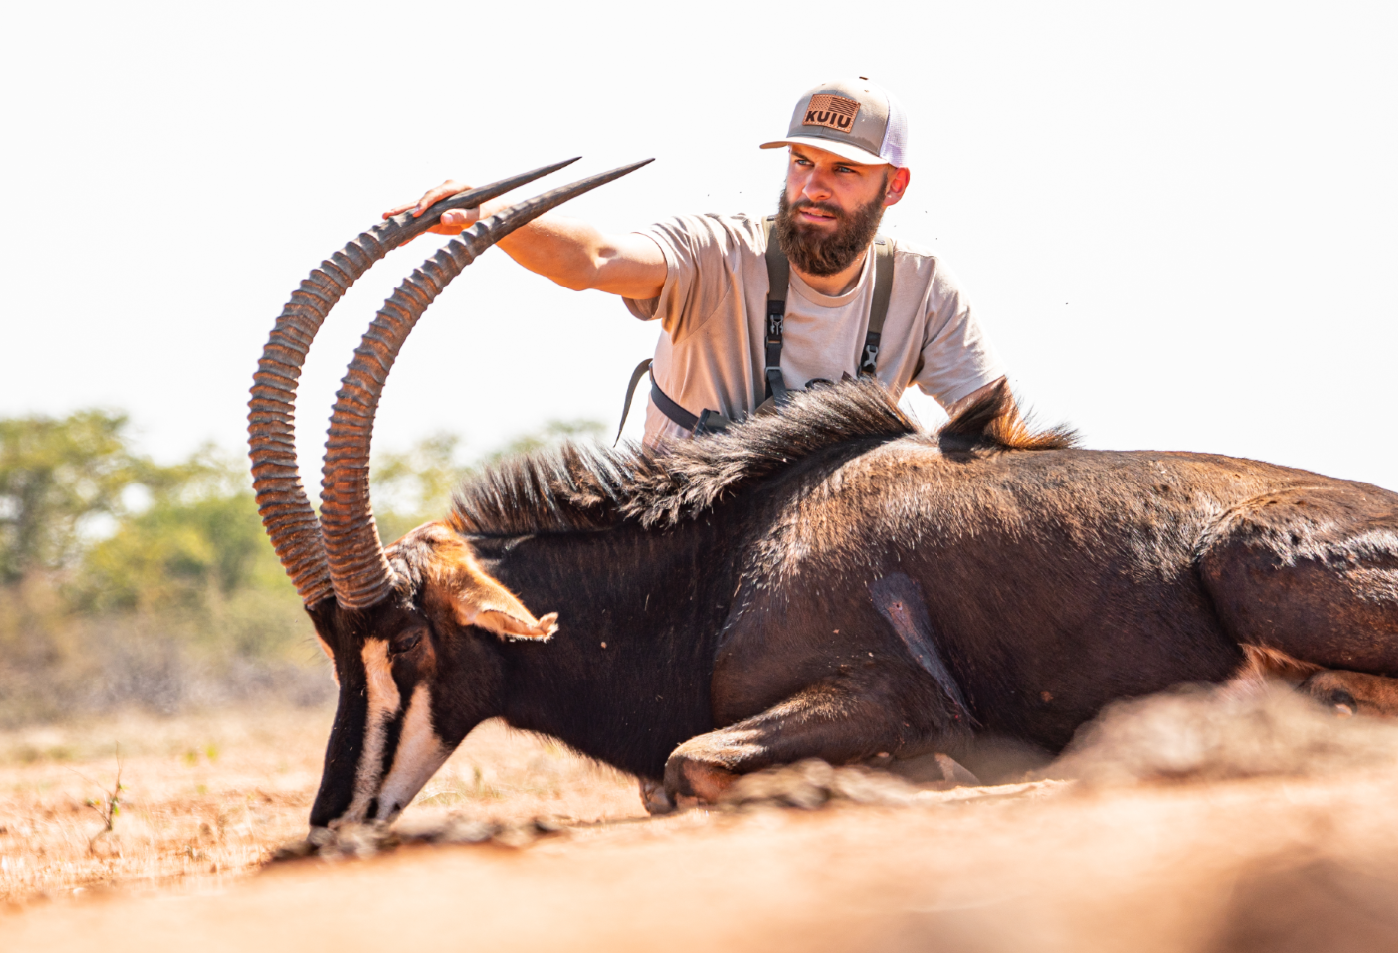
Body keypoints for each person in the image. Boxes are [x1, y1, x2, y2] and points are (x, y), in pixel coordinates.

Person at [386, 78, 1011, 446]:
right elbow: (595, 258)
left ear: (894, 186)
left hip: (827, 567)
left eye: (844, 170)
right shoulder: (718, 253)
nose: (814, 187)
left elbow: (1000, 435)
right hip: (677, 560)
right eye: (802, 163)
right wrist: (495, 215)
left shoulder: (924, 288)